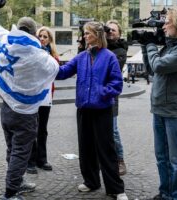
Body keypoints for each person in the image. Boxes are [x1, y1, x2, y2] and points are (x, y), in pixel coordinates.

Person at [0, 1, 59, 200]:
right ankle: (11, 192)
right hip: (25, 113)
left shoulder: (4, 42)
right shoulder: (38, 56)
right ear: (33, 32)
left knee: (13, 149)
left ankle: (17, 181)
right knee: (21, 152)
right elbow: (55, 68)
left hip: (6, 109)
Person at [56, 21, 128, 200]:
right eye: (84, 33)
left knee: (106, 150)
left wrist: (100, 93)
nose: (84, 36)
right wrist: (46, 65)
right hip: (84, 109)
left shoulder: (109, 56)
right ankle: (91, 181)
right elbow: (63, 72)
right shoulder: (81, 57)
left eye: (87, 33)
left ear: (97, 34)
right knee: (86, 148)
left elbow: (117, 84)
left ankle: (116, 189)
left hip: (102, 109)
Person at [140, 9, 177, 200]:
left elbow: (159, 65)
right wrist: (145, 46)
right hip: (159, 109)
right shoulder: (169, 47)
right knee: (162, 158)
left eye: (167, 23)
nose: (163, 26)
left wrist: (150, 46)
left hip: (175, 111)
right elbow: (151, 70)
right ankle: (166, 193)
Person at [27, 26, 59, 174]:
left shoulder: (53, 55)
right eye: (40, 36)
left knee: (42, 129)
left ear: (50, 40)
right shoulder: (31, 52)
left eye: (45, 37)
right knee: (32, 128)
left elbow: (56, 70)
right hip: (33, 96)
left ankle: (42, 159)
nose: (42, 39)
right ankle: (31, 161)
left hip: (46, 97)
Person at [106, 20, 128, 176]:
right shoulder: (99, 47)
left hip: (111, 95)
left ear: (119, 33)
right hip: (96, 94)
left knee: (113, 130)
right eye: (108, 30)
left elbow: (112, 69)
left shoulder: (120, 51)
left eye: (114, 30)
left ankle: (120, 160)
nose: (110, 32)